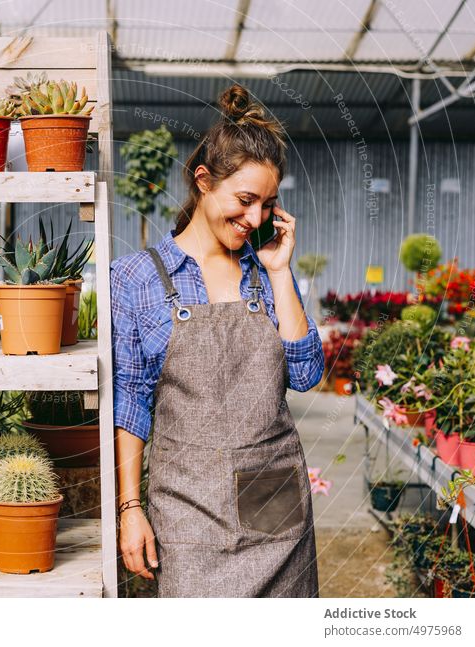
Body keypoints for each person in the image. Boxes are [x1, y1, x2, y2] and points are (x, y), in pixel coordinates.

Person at [111, 84, 324, 597]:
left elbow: (307, 373)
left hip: (273, 496)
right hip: (185, 505)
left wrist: (278, 270)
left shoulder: (265, 268)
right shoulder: (136, 277)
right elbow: (130, 402)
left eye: (267, 205)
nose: (254, 220)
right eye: (245, 200)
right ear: (204, 182)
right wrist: (129, 508)